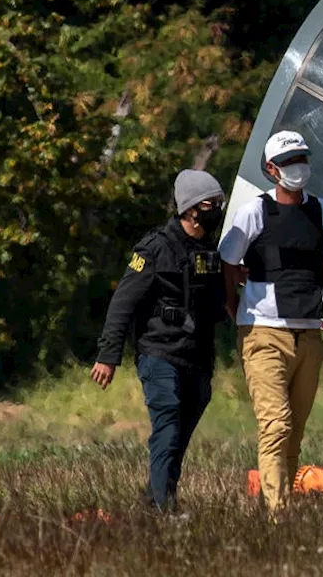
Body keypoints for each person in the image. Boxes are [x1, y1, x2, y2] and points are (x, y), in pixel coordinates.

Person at [92, 169, 228, 513]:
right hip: (159, 353)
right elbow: (122, 303)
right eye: (212, 204)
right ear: (191, 209)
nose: (217, 211)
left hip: (197, 357)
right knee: (167, 422)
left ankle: (158, 495)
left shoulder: (210, 251)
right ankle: (163, 506)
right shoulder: (154, 249)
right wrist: (108, 356)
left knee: (180, 432)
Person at [219, 130, 323, 516]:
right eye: (287, 163)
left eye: (301, 158)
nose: (297, 168)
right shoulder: (253, 212)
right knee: (276, 425)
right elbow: (228, 262)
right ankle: (277, 512)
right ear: (271, 170)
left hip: (309, 333)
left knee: (294, 432)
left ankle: (283, 503)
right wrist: (235, 306)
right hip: (264, 332)